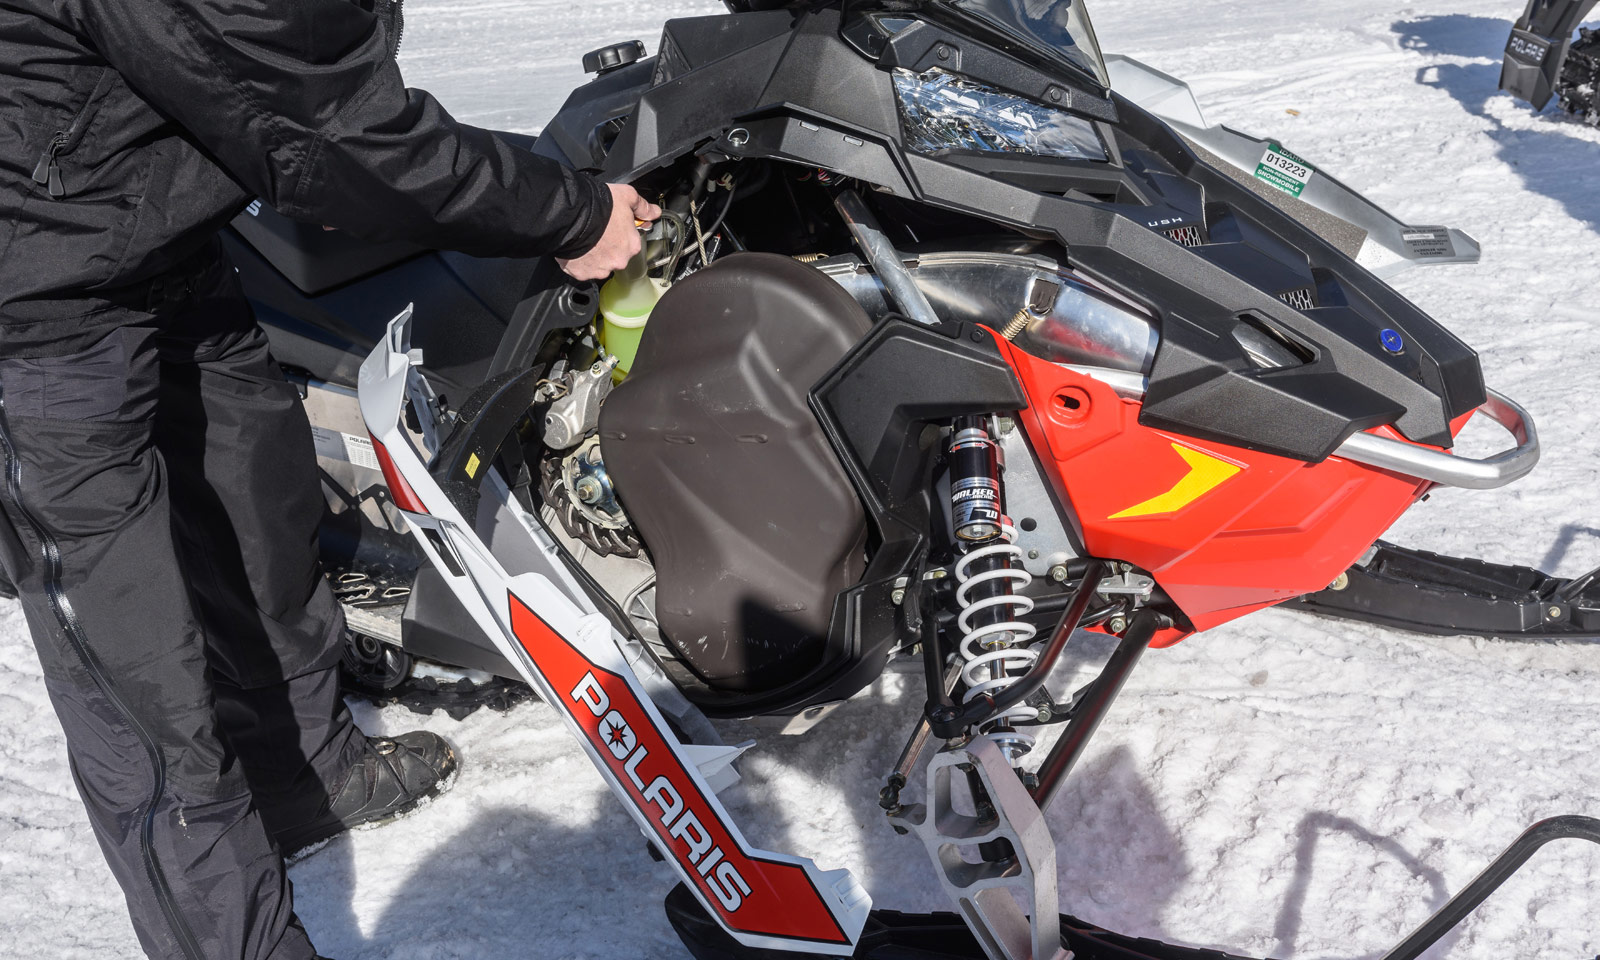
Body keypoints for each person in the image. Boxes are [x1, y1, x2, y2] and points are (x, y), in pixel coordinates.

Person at [0, 0, 660, 957]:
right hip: (37, 299)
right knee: (140, 681)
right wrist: (567, 209)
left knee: (261, 513)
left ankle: (304, 774)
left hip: (164, 231)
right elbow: (328, 135)